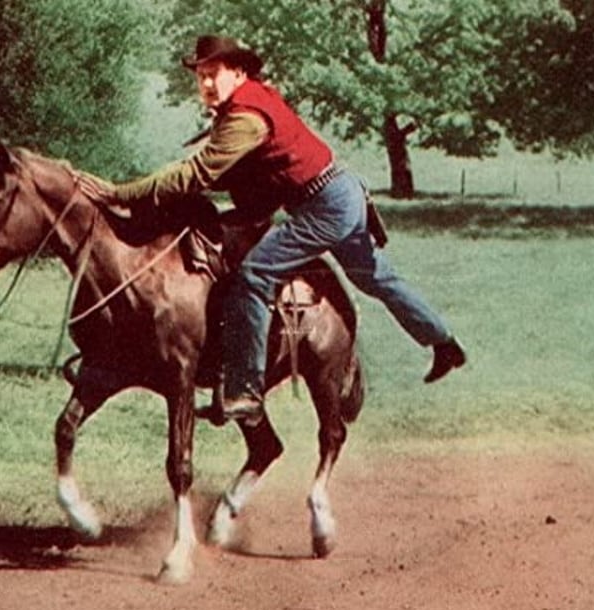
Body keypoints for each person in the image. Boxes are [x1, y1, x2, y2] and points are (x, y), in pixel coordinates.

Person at [79, 34, 465, 423]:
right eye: (200, 77)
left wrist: (120, 194)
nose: (206, 84)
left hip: (324, 205)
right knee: (378, 278)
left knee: (255, 274)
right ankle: (444, 342)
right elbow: (252, 175)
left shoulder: (246, 118)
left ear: (239, 73)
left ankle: (245, 389)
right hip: (339, 194)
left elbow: (196, 173)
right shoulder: (250, 103)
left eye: (214, 74)